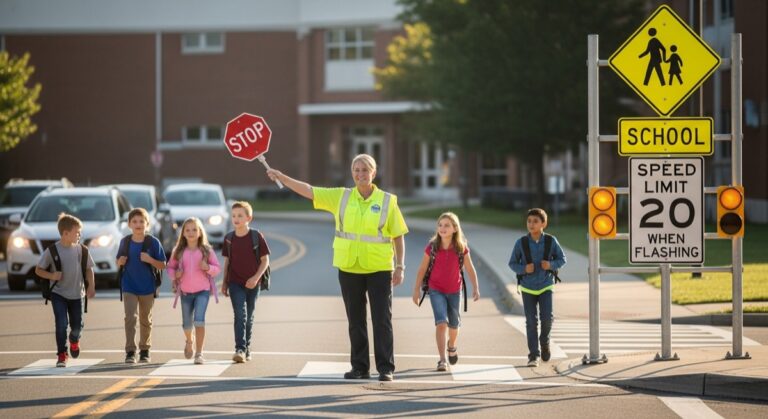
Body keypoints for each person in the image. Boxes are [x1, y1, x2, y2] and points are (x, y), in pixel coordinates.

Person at [266, 154, 408, 382]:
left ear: (374, 172)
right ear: (352, 172)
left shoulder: (387, 200)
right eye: (356, 170)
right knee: (356, 320)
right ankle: (360, 367)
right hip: (349, 266)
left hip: (379, 268)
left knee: (382, 319)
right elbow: (310, 190)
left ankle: (385, 368)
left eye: (365, 170)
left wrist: (400, 266)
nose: (360, 174)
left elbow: (398, 236)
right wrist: (283, 177)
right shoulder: (341, 196)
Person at [412, 212, 479, 372]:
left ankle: (452, 345)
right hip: (436, 290)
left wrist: (475, 287)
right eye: (440, 225)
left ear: (455, 229)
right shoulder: (432, 247)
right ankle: (442, 360)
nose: (442, 228)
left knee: (454, 325)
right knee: (441, 323)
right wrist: (416, 290)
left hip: (455, 291)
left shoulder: (461, 248)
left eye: (447, 225)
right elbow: (422, 269)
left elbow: (469, 268)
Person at [35, 213, 96, 368]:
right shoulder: (52, 251)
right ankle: (62, 354)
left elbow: (89, 269)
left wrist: (91, 286)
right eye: (77, 232)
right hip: (59, 294)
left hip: (78, 294)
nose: (80, 235)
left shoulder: (82, 250)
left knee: (77, 326)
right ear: (65, 233)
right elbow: (38, 270)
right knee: (61, 323)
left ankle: (74, 340)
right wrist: (52, 275)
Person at [508, 208, 566, 367]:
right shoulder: (521, 243)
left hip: (546, 285)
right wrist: (524, 269)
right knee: (531, 322)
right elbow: (512, 263)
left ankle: (544, 341)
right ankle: (533, 355)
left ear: (543, 224)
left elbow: (562, 259)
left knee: (547, 318)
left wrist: (551, 265)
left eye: (535, 221)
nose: (531, 224)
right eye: (529, 221)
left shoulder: (551, 241)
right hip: (527, 287)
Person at [220, 201, 270, 363]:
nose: (236, 218)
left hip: (253, 283)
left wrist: (255, 278)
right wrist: (224, 282)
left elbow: (265, 261)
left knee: (249, 317)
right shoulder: (229, 239)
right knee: (240, 314)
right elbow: (227, 262)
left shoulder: (256, 237)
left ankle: (247, 347)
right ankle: (239, 349)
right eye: (234, 215)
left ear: (249, 218)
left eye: (240, 215)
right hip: (235, 282)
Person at [167, 217, 221, 365]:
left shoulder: (206, 251)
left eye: (194, 229)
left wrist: (207, 268)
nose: (191, 232)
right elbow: (170, 268)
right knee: (186, 324)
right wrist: (175, 275)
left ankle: (199, 353)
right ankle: (189, 341)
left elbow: (217, 269)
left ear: (200, 232)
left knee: (199, 321)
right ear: (183, 233)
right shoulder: (178, 251)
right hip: (185, 292)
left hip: (202, 291)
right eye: (187, 230)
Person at [116, 207, 167, 364]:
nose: (138, 224)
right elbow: (118, 261)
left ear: (147, 224)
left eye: (141, 221)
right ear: (129, 224)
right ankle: (130, 351)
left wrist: (150, 260)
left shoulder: (153, 242)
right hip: (129, 286)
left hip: (147, 287)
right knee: (130, 318)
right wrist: (120, 262)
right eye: (134, 221)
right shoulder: (125, 242)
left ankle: (145, 350)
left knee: (145, 319)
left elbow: (163, 264)